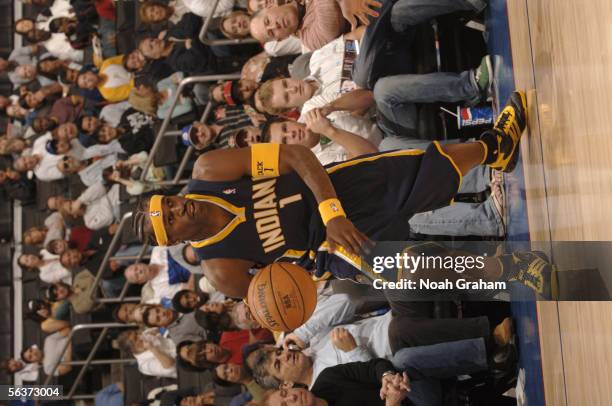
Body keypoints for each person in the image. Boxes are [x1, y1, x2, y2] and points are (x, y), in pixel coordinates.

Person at [130, 92, 552, 299]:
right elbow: (289, 293)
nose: (176, 207)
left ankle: (495, 148)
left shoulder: (209, 170)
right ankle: (512, 269)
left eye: (167, 202)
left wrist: (332, 211)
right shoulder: (222, 271)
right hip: (329, 248)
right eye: (170, 218)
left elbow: (296, 155)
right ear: (176, 240)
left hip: (331, 189)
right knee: (411, 271)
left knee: (425, 169)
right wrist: (313, 271)